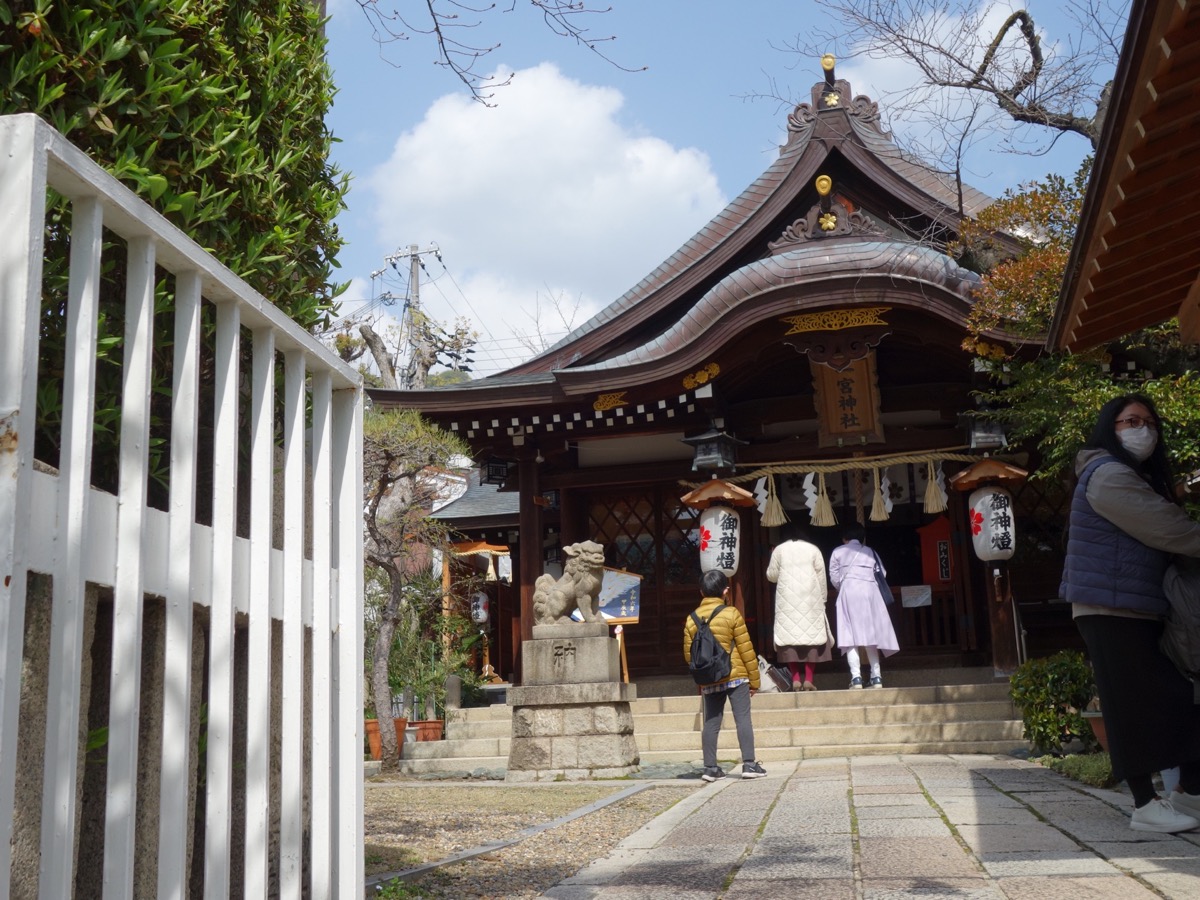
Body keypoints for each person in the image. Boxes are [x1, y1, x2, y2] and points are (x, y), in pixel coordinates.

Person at [1062, 393, 1200, 833]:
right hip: (1109, 605)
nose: (1142, 429)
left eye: (1147, 421)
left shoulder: (1129, 475)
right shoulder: (1107, 475)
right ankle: (1144, 804)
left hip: (1133, 605)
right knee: (1130, 705)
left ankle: (1191, 794)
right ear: (1110, 428)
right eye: (1130, 421)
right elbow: (1167, 528)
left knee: (1174, 698)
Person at [682, 569, 767, 782]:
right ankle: (749, 764)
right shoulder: (732, 614)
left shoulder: (691, 619)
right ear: (725, 591)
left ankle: (710, 768)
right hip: (736, 676)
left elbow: (688, 654)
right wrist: (755, 681)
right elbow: (746, 649)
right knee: (743, 720)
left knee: (711, 722)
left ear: (702, 592)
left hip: (710, 679)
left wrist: (702, 676)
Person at [828, 523, 899, 689]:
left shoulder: (837, 552)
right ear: (862, 537)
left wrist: (845, 585)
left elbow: (834, 577)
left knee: (849, 637)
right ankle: (876, 677)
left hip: (849, 592)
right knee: (871, 637)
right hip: (870, 593)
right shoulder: (870, 551)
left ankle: (856, 678)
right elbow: (883, 573)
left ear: (845, 538)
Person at [766, 527, 833, 690]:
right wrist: (823, 599)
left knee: (789, 640)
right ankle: (809, 679)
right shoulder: (813, 549)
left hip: (787, 602)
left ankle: (795, 678)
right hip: (811, 601)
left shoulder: (779, 550)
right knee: (812, 640)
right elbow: (821, 578)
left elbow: (771, 576)